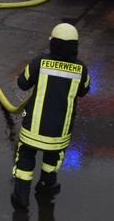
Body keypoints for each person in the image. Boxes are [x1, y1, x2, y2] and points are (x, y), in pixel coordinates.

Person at [11, 22, 91, 210]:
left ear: (52, 42)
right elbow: (84, 91)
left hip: (34, 128)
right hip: (60, 130)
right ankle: (47, 186)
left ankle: (21, 196)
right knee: (52, 158)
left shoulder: (40, 62)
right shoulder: (81, 69)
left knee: (25, 157)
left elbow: (22, 83)